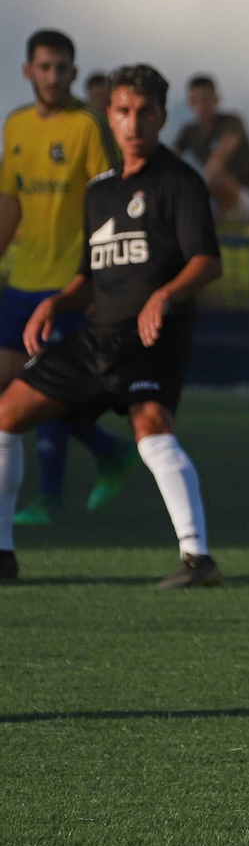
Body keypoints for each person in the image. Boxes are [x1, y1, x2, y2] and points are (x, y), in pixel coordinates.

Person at [0, 64, 221, 587]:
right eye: (123, 111)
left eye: (145, 112)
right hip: (96, 337)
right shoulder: (99, 190)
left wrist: (164, 295)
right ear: (110, 114)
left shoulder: (179, 182)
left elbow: (207, 261)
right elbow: (89, 276)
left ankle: (199, 559)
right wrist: (56, 302)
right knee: (6, 414)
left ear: (162, 116)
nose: (133, 122)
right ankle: (2, 553)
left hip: (151, 337)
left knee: (150, 428)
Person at [0, 29, 137, 529]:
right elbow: (10, 203)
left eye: (61, 68)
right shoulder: (15, 125)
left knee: (45, 389)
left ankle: (49, 496)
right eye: (44, 67)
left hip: (68, 285)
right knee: (12, 394)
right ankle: (108, 450)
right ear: (27, 71)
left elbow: (111, 201)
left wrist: (105, 281)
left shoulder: (87, 125)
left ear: (74, 72)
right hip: (22, 281)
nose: (53, 77)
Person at [173, 74, 249, 224]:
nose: (202, 105)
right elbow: (169, 161)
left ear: (216, 99)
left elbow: (219, 159)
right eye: (197, 100)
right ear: (190, 102)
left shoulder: (232, 121)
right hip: (212, 197)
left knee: (214, 179)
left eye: (206, 99)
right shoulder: (188, 131)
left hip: (242, 197)